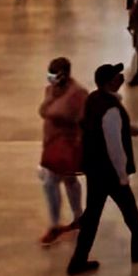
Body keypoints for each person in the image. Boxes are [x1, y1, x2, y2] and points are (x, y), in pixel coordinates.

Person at [67, 63, 138, 276]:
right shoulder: (111, 108)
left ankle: (78, 260)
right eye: (117, 75)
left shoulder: (94, 99)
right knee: (130, 211)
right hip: (109, 172)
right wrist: (122, 176)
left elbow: (103, 128)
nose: (121, 77)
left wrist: (136, 129)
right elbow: (114, 146)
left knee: (93, 216)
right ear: (110, 82)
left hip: (94, 168)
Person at [38, 57, 88, 245]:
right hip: (52, 143)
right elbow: (43, 111)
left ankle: (54, 224)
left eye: (53, 75)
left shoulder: (78, 93)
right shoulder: (50, 90)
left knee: (50, 182)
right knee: (69, 179)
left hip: (68, 144)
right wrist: (51, 98)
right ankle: (79, 216)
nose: (50, 78)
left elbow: (83, 120)